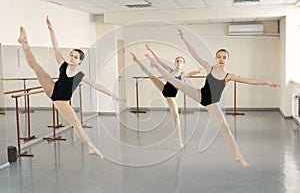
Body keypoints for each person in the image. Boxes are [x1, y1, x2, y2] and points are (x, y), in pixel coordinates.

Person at [145, 29, 280, 168]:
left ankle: (238, 155)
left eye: (224, 57)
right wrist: (184, 39)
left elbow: (248, 80)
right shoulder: (209, 68)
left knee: (225, 128)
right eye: (219, 56)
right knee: (177, 82)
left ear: (227, 60)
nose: (221, 59)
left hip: (212, 104)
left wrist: (266, 82)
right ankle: (155, 65)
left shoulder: (229, 76)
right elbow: (194, 54)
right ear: (216, 58)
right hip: (199, 95)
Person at [17, 16, 123, 160]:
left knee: (76, 124)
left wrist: (113, 95)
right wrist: (51, 29)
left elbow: (97, 86)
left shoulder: (80, 75)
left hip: (62, 101)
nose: (72, 57)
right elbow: (55, 46)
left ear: (80, 61)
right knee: (38, 68)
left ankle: (90, 146)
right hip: (52, 89)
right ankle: (24, 44)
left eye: (75, 57)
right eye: (71, 55)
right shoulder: (62, 64)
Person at [131, 43, 202, 148]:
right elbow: (159, 60)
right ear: (175, 63)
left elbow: (191, 73)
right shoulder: (170, 70)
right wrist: (151, 49)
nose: (178, 62)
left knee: (176, 116)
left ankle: (180, 140)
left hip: (171, 97)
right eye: (177, 61)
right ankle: (136, 60)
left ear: (183, 64)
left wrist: (199, 71)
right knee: (150, 74)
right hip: (164, 89)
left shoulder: (183, 75)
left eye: (181, 61)